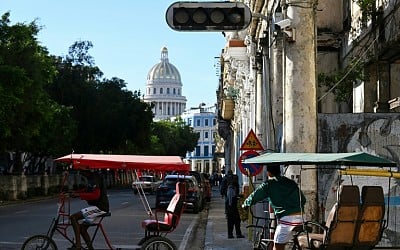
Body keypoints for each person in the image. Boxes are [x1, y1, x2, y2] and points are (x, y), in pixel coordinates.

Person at [242, 165, 306, 250]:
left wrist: (245, 204)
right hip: (301, 217)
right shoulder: (290, 182)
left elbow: (255, 196)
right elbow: (303, 200)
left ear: (268, 173)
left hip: (287, 220)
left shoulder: (268, 184)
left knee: (277, 245)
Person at [69, 168, 110, 250]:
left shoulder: (96, 178)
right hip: (96, 207)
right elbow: (88, 190)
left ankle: (78, 245)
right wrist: (77, 192)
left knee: (73, 217)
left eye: (82, 172)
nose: (81, 174)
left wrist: (79, 195)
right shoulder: (91, 178)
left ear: (87, 171)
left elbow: (95, 195)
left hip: (100, 208)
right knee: (82, 229)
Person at [220, 169, 245, 239]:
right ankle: (238, 234)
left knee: (230, 219)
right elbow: (237, 187)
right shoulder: (235, 177)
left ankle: (230, 234)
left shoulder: (225, 178)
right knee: (237, 219)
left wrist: (222, 194)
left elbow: (222, 188)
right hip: (235, 201)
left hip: (228, 202)